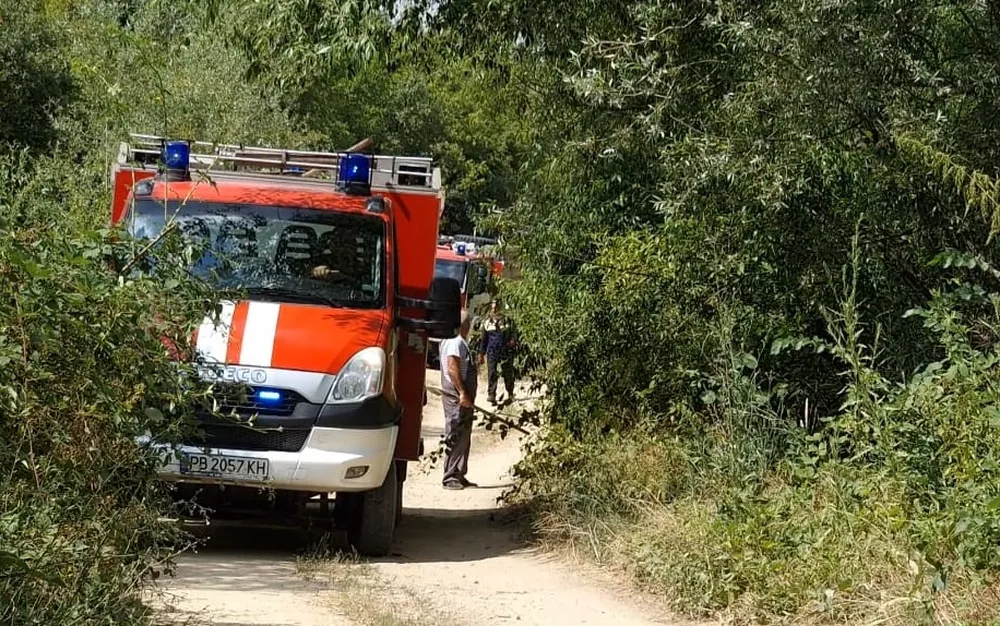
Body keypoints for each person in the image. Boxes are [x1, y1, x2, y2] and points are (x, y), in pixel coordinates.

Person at [440, 309, 478, 490]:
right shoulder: (455, 342)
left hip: (462, 396)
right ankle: (450, 476)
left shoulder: (456, 341)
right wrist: (462, 392)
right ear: (466, 325)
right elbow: (452, 369)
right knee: (455, 434)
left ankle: (459, 473)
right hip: (456, 396)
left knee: (463, 435)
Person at [479, 299, 516, 405]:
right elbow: (484, 340)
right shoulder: (487, 323)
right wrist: (481, 354)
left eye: (496, 306)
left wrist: (512, 342)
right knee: (492, 373)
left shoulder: (507, 321)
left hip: (505, 351)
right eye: (493, 306)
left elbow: (513, 335)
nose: (494, 308)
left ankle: (510, 392)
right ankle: (491, 394)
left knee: (507, 372)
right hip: (492, 351)